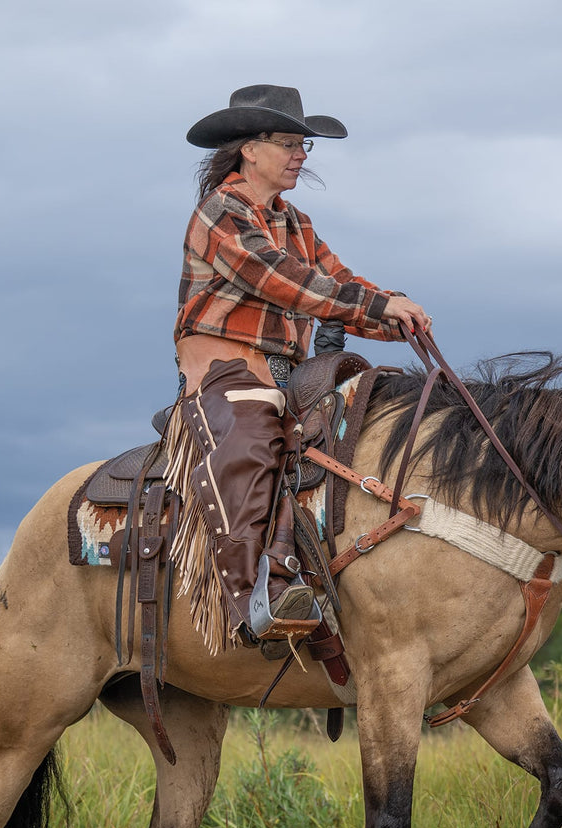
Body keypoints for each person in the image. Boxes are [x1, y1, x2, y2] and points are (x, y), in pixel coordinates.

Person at [164, 84, 431, 655]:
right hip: (226, 373)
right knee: (255, 443)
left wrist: (395, 317)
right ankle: (253, 601)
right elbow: (285, 281)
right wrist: (377, 307)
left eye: (304, 143)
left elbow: (340, 283)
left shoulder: (297, 222)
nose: (301, 154)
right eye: (289, 142)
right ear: (249, 149)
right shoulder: (220, 214)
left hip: (289, 370)